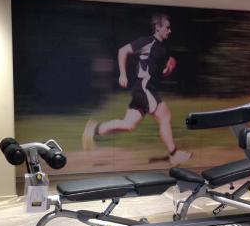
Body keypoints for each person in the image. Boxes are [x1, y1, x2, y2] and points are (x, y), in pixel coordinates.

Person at [82, 13, 192, 166]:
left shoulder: (161, 48)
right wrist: (122, 74)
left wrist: (167, 69)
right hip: (144, 88)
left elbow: (155, 71)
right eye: (167, 27)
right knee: (164, 116)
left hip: (145, 89)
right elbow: (123, 51)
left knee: (128, 125)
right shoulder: (147, 42)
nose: (170, 30)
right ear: (158, 27)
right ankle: (174, 155)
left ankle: (94, 129)